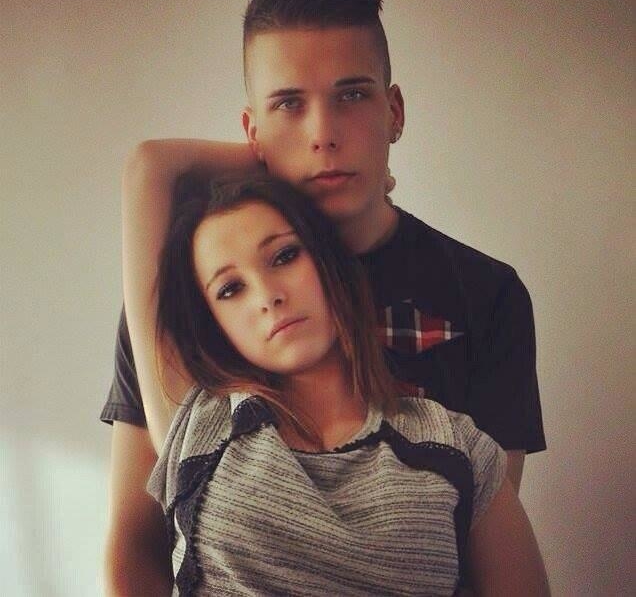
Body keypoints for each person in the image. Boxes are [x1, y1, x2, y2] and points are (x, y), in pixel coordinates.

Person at [101, 0, 546, 593]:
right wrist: (263, 168)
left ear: (394, 111)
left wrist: (279, 158)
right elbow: (135, 545)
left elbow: (477, 545)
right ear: (251, 131)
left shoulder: (487, 296)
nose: (323, 135)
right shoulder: (187, 303)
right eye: (289, 105)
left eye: (353, 96)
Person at [127, 172, 549, 595]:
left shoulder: (456, 446)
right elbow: (148, 169)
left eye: (284, 256)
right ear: (214, 324)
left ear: (329, 261)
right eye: (230, 288)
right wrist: (273, 155)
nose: (268, 295)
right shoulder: (197, 420)